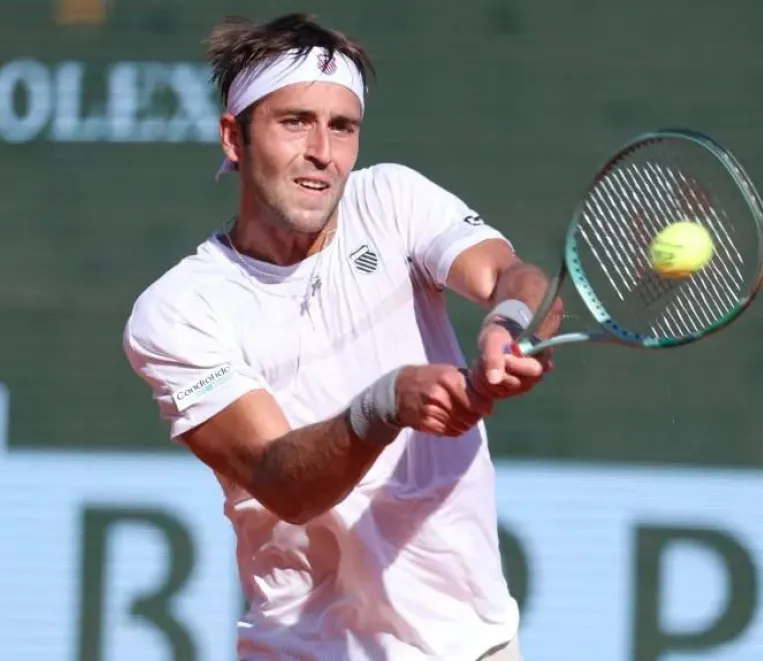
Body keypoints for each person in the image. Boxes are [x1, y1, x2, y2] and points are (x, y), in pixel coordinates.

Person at [122, 12, 562, 661]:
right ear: (233, 137)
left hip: (477, 643)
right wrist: (385, 404)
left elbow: (511, 275)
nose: (322, 153)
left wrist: (508, 324)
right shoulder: (178, 311)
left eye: (342, 127)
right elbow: (283, 483)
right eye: (295, 121)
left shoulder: (393, 200)